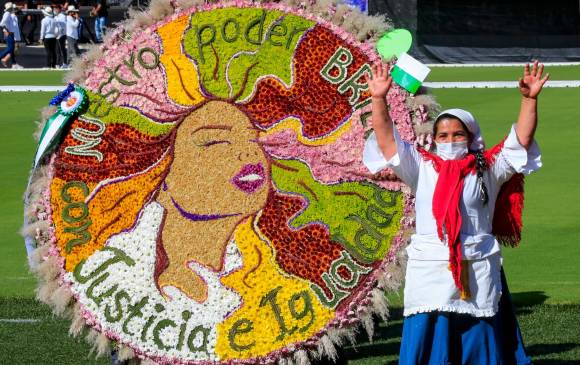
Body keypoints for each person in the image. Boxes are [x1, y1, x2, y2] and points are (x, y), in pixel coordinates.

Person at [363, 60, 549, 364]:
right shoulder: (421, 166)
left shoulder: (489, 167)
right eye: (443, 136)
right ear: (434, 140)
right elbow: (387, 142)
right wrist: (378, 98)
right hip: (430, 268)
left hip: (476, 264)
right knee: (429, 335)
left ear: (472, 137)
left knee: (479, 336)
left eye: (457, 134)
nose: (450, 141)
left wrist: (529, 99)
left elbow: (521, 141)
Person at [0, 2, 23, 68]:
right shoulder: (8, 14)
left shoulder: (10, 14)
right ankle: (11, 62)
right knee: (10, 48)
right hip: (9, 34)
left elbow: (13, 26)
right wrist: (6, 31)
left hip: (11, 33)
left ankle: (14, 63)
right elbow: (2, 24)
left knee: (12, 49)